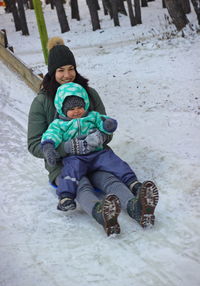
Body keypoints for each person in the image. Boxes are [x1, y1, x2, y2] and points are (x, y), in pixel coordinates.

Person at [27, 36, 159, 236]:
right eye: (61, 70)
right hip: (64, 164)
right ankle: (101, 214)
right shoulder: (41, 102)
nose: (67, 75)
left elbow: (105, 125)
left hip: (96, 156)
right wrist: (66, 148)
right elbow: (34, 144)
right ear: (52, 72)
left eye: (71, 68)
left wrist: (100, 138)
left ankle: (135, 207)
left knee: (109, 179)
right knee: (81, 184)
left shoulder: (89, 94)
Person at [40, 82, 142, 213]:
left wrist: (107, 125)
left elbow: (103, 121)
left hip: (97, 153)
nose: (76, 111)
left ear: (85, 105)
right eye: (71, 109)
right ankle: (66, 197)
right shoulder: (59, 124)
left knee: (114, 162)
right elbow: (51, 135)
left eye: (79, 107)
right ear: (63, 109)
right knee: (70, 173)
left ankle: (132, 183)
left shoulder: (92, 116)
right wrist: (48, 147)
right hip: (75, 157)